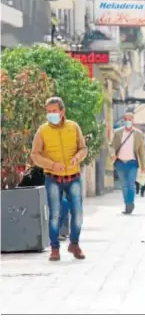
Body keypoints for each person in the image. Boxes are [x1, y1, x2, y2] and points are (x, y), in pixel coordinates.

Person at [30, 97, 88, 261]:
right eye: (48, 112)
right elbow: (35, 154)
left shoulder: (73, 127)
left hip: (73, 177)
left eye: (54, 111)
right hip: (53, 178)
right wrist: (52, 164)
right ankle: (54, 248)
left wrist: (77, 157)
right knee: (55, 213)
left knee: (77, 214)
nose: (51, 114)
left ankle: (74, 244)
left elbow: (83, 148)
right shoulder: (42, 131)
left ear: (62, 112)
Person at [111, 111, 145, 215]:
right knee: (124, 185)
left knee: (131, 184)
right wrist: (113, 154)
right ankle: (127, 205)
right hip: (120, 163)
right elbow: (111, 146)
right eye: (125, 120)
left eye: (129, 120)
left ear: (132, 121)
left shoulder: (139, 134)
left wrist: (143, 166)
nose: (127, 122)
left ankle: (130, 204)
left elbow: (141, 152)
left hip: (132, 163)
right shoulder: (117, 133)